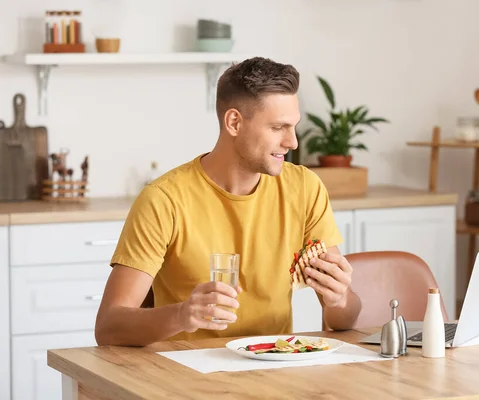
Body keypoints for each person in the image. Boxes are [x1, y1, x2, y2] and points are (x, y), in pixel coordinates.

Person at [94, 57, 362, 347]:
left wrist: (339, 297)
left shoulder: (305, 188)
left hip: (275, 370)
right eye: (278, 128)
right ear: (234, 122)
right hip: (186, 376)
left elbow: (342, 321)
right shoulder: (164, 200)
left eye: (293, 127)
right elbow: (109, 327)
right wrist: (182, 315)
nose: (293, 142)